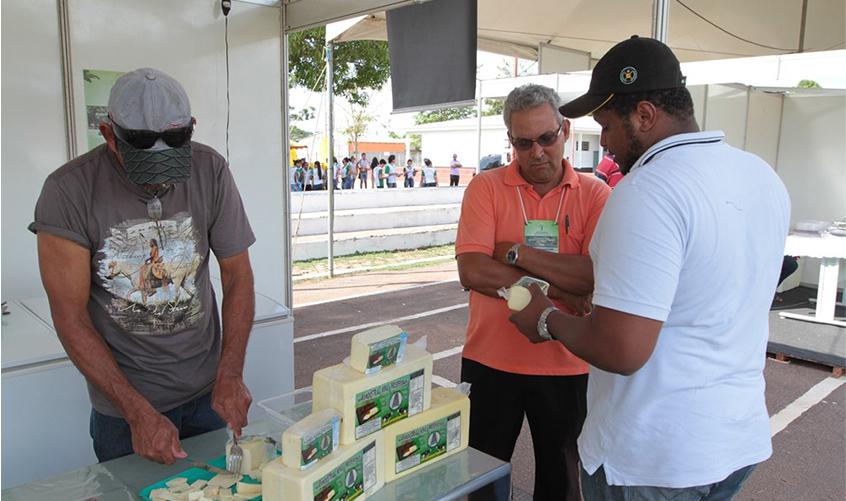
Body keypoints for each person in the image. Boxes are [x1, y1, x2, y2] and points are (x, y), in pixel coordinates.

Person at [509, 36, 790, 500]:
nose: (604, 141)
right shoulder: (760, 174)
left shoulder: (647, 190)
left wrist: (544, 318)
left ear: (644, 115)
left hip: (654, 456)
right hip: (736, 440)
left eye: (606, 124)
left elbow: (620, 349)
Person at [29, 68, 256, 465]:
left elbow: (238, 275)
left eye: (172, 151)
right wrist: (136, 413)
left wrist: (231, 373)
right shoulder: (68, 191)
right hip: (125, 411)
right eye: (142, 159)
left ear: (190, 129)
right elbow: (69, 316)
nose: (157, 178)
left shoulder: (211, 170)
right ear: (108, 135)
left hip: (208, 394)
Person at [455, 83, 611, 501]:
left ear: (565, 131)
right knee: (481, 480)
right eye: (524, 142)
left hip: (567, 363)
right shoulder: (485, 188)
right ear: (511, 141)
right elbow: (472, 269)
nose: (537, 152)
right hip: (490, 362)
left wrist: (514, 254)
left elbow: (593, 277)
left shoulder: (596, 194)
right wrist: (556, 287)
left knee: (562, 484)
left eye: (546, 138)